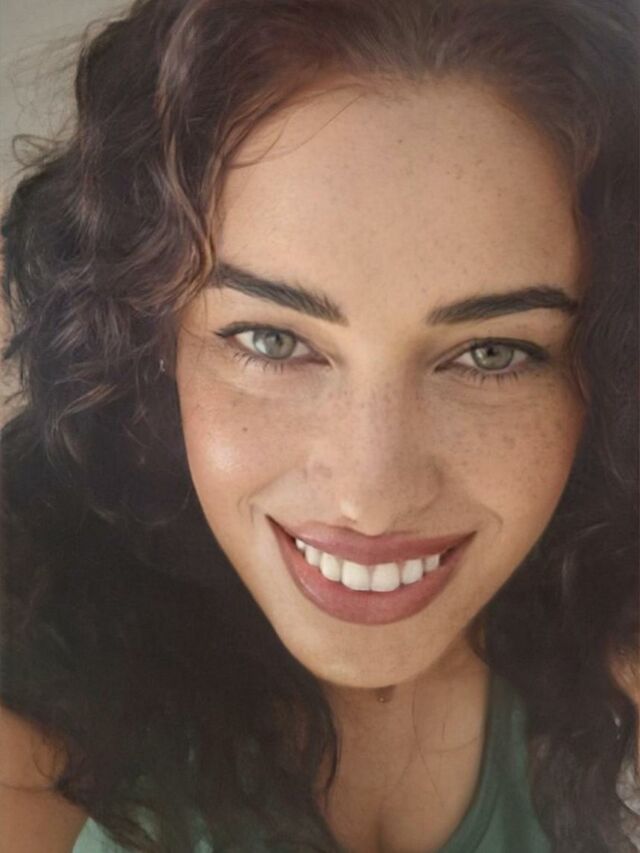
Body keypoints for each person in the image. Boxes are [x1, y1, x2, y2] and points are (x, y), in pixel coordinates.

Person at [0, 0, 638, 851]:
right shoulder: (28, 732)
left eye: (491, 353)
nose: (372, 496)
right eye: (272, 340)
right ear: (149, 339)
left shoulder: (606, 628)